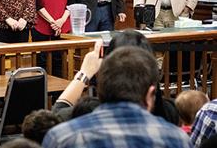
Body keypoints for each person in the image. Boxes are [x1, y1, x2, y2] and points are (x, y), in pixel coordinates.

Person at [43, 46, 192, 148]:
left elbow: (59, 111)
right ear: (150, 95)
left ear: (101, 90)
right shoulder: (178, 140)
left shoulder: (62, 137)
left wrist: (84, 73)